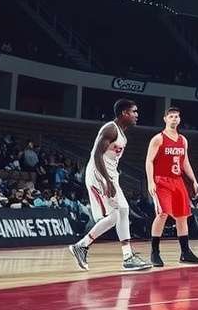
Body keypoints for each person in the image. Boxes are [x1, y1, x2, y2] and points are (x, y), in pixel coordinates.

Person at [68, 99, 152, 271]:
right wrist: (106, 180)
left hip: (110, 177)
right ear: (124, 113)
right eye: (134, 111)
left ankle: (128, 256)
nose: (137, 115)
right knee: (113, 216)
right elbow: (97, 155)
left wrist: (113, 178)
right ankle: (81, 246)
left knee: (124, 210)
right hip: (98, 176)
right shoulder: (110, 129)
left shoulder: (121, 134)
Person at [145, 107, 198, 267]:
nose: (174, 119)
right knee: (162, 214)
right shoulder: (158, 139)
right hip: (161, 180)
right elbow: (149, 161)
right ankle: (154, 252)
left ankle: (185, 253)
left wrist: (193, 180)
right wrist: (150, 181)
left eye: (176, 116)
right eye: (171, 116)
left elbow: (185, 161)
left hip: (177, 181)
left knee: (182, 216)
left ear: (179, 119)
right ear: (165, 119)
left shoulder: (183, 140)